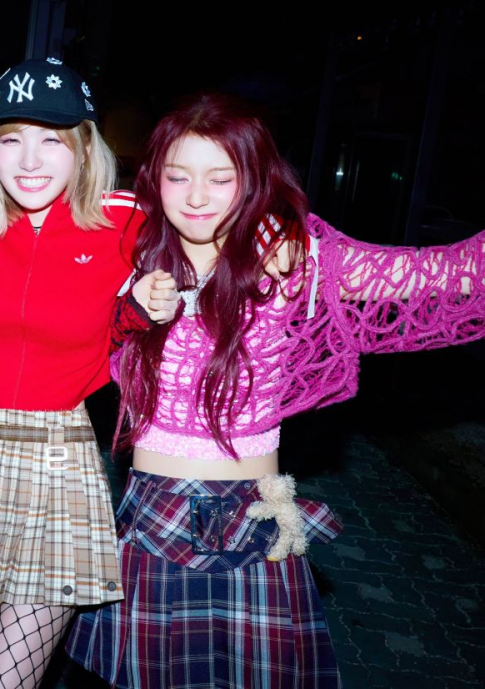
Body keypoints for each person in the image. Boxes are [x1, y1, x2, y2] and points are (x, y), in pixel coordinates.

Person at [63, 93, 485, 688]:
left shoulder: (293, 260)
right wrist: (128, 309)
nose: (197, 196)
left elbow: (431, 276)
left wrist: (284, 235)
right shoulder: (128, 252)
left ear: (253, 180)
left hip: (252, 517)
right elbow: (63, 328)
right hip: (152, 514)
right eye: (179, 176)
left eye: (220, 178)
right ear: (155, 178)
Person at [0, 58, 179, 689]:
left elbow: (220, 219)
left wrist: (280, 235)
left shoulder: (126, 221)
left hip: (57, 470)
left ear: (84, 148)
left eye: (52, 140)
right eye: (11, 139)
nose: (29, 161)